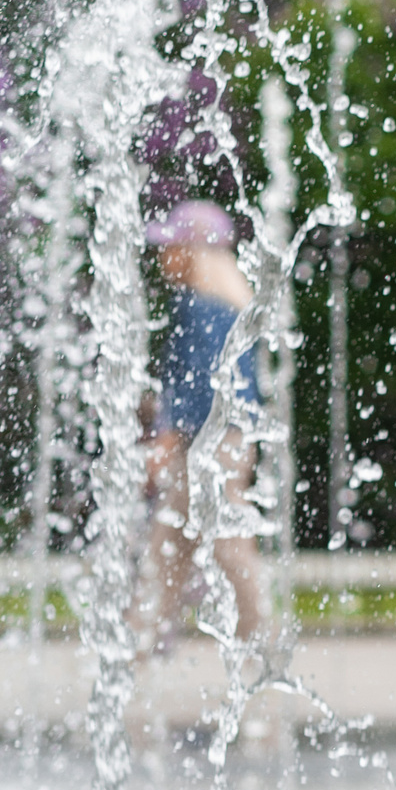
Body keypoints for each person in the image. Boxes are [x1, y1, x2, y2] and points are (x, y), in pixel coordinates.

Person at [140, 200, 266, 650]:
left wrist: (167, 437)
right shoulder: (230, 306)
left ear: (195, 252)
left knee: (221, 545)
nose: (163, 257)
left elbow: (202, 386)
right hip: (224, 442)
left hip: (210, 444)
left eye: (172, 247)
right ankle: (141, 640)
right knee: (174, 545)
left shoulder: (202, 307)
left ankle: (258, 638)